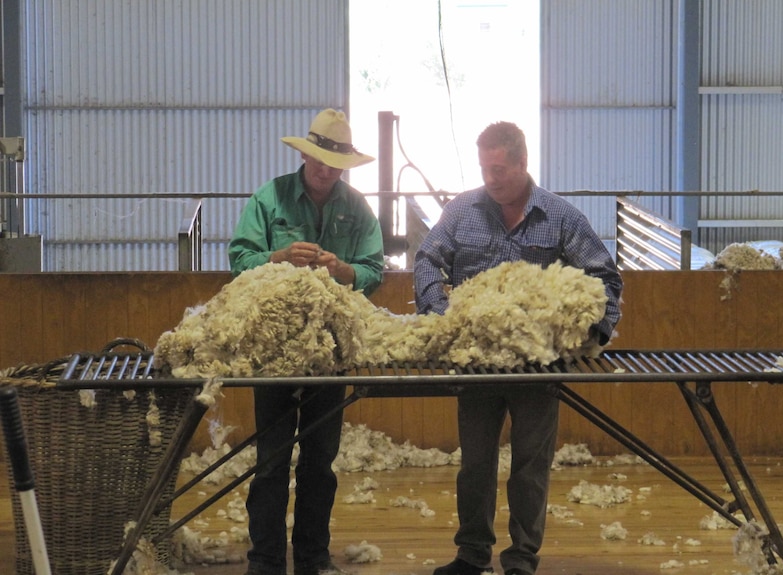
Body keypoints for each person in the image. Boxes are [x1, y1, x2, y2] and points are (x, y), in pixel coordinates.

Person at [413, 121, 623, 575]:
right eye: (485, 168)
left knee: (530, 465)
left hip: (536, 365)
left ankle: (521, 559)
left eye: (500, 169)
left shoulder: (561, 217)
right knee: (475, 464)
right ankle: (471, 555)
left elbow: (606, 278)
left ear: (523, 164)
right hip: (477, 363)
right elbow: (428, 257)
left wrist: (593, 331)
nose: (491, 177)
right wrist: (437, 315)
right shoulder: (462, 211)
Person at [229, 108, 384, 575]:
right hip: (275, 350)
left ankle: (313, 557)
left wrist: (344, 271)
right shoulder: (269, 199)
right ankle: (266, 559)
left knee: (320, 459)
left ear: (344, 167)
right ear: (304, 155)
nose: (325, 169)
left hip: (330, 350)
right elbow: (239, 258)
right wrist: (275, 258)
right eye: (318, 160)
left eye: (334, 164)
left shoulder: (356, 209)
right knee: (272, 457)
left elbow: (374, 271)